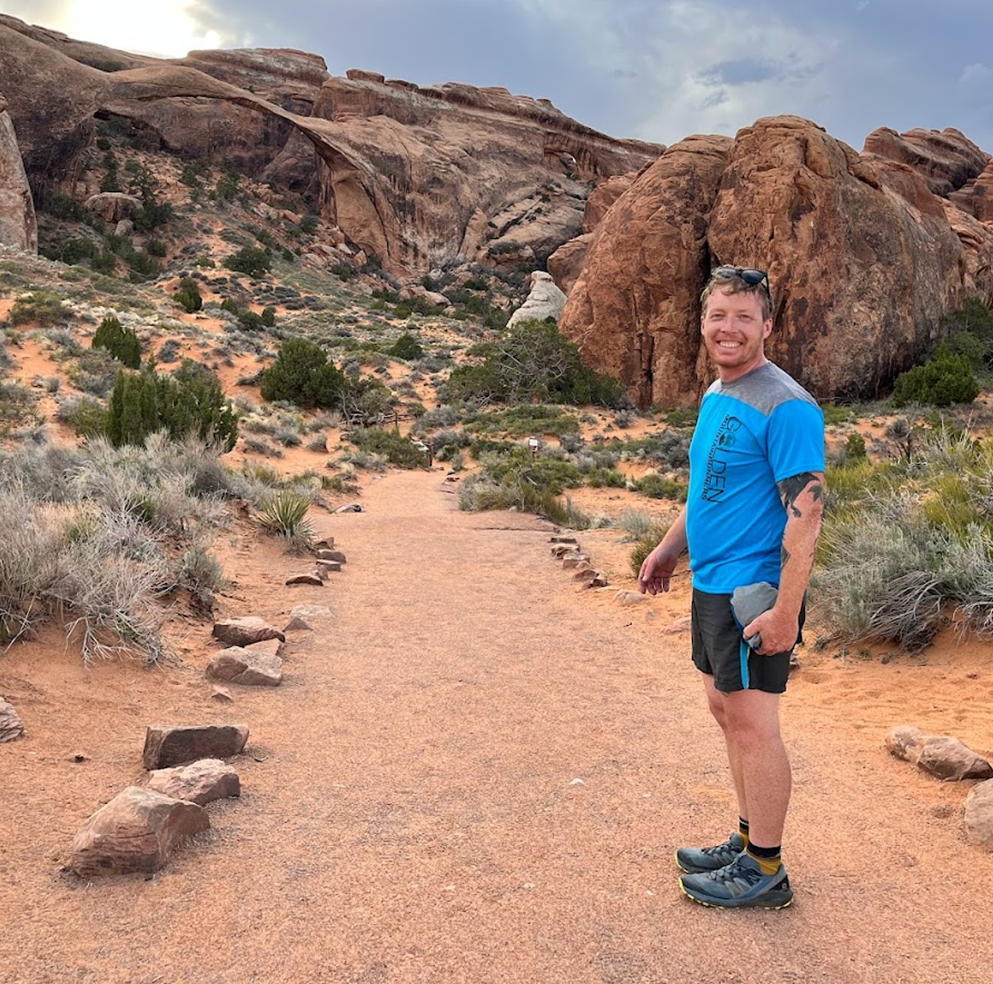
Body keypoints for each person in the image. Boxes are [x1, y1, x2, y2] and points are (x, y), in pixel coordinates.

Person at [638, 266, 825, 909]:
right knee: (726, 712)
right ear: (703, 323)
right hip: (712, 585)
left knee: (753, 725)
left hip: (754, 591)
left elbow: (807, 514)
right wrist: (669, 549)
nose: (729, 328)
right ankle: (747, 841)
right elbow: (706, 492)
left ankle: (765, 868)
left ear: (767, 326)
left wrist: (785, 612)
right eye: (719, 315)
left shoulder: (786, 405)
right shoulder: (720, 392)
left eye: (744, 317)